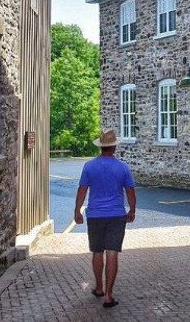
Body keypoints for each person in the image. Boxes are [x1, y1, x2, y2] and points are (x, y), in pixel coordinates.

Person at [75, 129, 136, 309]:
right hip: (117, 214)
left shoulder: (89, 166)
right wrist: (132, 210)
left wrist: (77, 210)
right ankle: (109, 295)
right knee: (112, 253)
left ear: (101, 147)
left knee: (97, 252)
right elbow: (130, 192)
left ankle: (99, 287)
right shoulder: (123, 167)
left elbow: (82, 190)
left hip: (95, 215)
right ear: (114, 146)